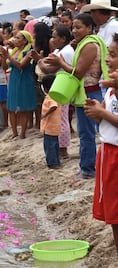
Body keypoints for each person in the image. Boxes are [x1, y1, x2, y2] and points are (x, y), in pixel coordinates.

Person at [45, 13, 107, 179]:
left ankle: (88, 169)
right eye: (74, 27)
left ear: (89, 27)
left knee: (86, 133)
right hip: (88, 91)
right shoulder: (84, 43)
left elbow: (78, 73)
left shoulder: (90, 46)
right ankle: (86, 167)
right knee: (85, 132)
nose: (75, 30)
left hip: (89, 92)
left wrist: (60, 63)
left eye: (79, 27)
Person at [84, 32, 118, 256]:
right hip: (107, 152)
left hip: (115, 154)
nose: (107, 59)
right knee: (114, 215)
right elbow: (105, 116)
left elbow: (109, 115)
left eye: (113, 55)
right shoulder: (112, 89)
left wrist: (102, 113)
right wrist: (97, 111)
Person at [39, 25, 74, 158]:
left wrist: (38, 60)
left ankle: (63, 149)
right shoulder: (62, 50)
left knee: (62, 118)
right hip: (61, 85)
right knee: (62, 117)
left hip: (62, 86)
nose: (52, 40)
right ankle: (61, 148)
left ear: (63, 38)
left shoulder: (65, 52)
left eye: (55, 37)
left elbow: (48, 70)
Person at [0, 30, 36, 139]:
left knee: (23, 108)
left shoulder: (29, 52)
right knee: (11, 107)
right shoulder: (14, 51)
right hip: (14, 78)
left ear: (25, 40)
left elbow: (21, 65)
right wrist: (4, 56)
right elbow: (5, 67)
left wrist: (8, 56)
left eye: (18, 38)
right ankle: (14, 132)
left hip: (24, 79)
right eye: (15, 38)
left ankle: (22, 133)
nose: (15, 40)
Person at [40, 74, 61, 169]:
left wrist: (45, 114)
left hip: (49, 127)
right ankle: (56, 161)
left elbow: (53, 106)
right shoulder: (56, 96)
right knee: (54, 145)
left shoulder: (50, 97)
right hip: (55, 126)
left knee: (49, 146)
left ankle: (53, 163)